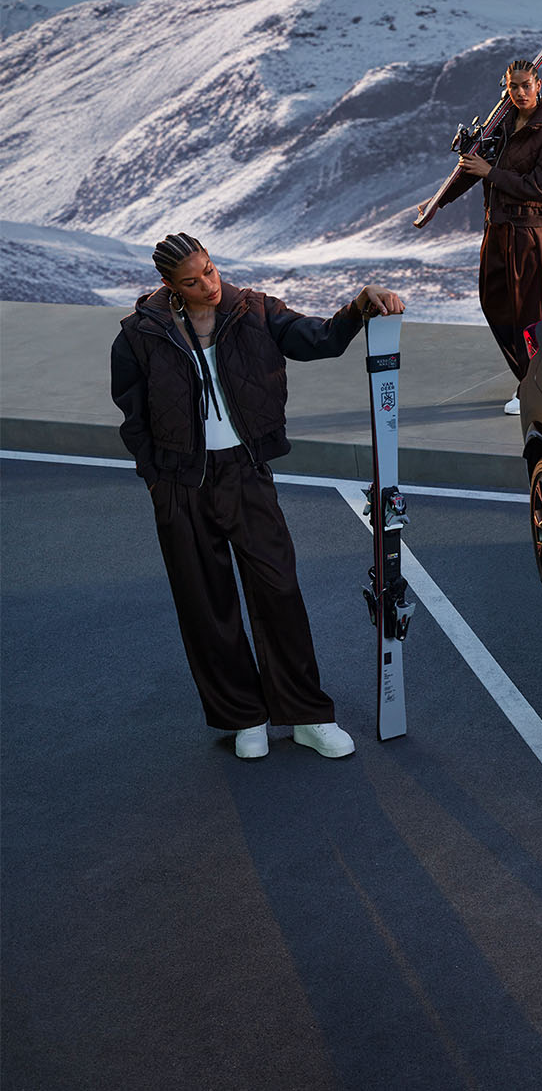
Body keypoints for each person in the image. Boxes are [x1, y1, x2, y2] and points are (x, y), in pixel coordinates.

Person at [109, 234, 406, 760]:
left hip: (246, 475)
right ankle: (244, 717)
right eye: (192, 280)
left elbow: (321, 340)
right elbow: (133, 419)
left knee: (279, 593)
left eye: (210, 269)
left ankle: (307, 715)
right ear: (167, 286)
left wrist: (361, 304)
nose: (208, 284)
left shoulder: (255, 311)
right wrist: (158, 482)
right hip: (181, 485)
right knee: (207, 605)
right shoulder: (139, 336)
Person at [419, 58, 542, 415]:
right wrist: (441, 200)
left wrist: (491, 172)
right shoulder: (501, 125)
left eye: (525, 85)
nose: (519, 92)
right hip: (497, 227)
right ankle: (530, 378)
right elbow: (474, 167)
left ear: (538, 85)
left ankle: (532, 387)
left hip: (528, 232)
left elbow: (541, 189)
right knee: (494, 302)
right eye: (513, 86)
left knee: (530, 316)